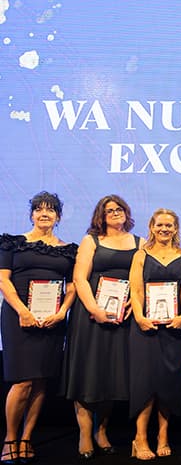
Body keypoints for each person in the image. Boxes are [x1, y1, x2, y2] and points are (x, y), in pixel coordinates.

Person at [0, 192, 78, 465]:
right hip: (18, 316)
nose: (44, 214)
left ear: (58, 216)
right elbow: (3, 280)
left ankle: (27, 438)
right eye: (39, 210)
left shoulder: (69, 249)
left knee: (41, 380)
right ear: (31, 214)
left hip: (53, 319)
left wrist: (61, 312)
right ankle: (10, 439)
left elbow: (73, 286)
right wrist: (23, 311)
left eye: (50, 210)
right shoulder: (12, 243)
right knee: (22, 382)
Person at [62, 195, 140, 460]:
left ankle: (101, 431)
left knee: (112, 376)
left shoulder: (139, 242)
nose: (115, 213)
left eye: (119, 209)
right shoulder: (91, 241)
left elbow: (140, 280)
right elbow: (79, 278)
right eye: (109, 210)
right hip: (90, 316)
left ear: (126, 212)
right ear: (101, 216)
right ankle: (84, 434)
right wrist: (94, 309)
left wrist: (133, 301)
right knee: (87, 373)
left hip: (121, 317)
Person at [128, 208, 181, 460]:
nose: (165, 229)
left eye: (169, 225)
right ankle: (140, 438)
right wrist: (139, 317)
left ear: (176, 228)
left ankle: (163, 436)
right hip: (146, 327)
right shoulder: (141, 255)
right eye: (160, 225)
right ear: (152, 227)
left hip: (176, 328)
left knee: (169, 382)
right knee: (145, 383)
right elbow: (136, 291)